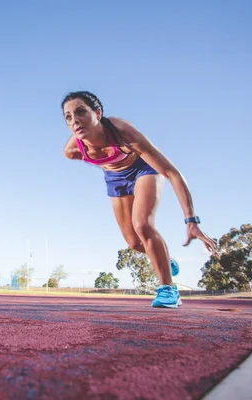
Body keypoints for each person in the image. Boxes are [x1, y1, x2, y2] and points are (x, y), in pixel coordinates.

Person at [61, 91, 218, 308]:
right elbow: (102, 162)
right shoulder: (72, 150)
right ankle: (163, 259)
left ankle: (168, 289)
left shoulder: (124, 133)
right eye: (68, 117)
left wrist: (191, 220)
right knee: (134, 242)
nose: (75, 120)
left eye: (81, 112)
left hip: (143, 168)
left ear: (97, 113)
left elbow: (172, 173)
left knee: (142, 225)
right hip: (115, 177)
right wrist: (113, 169)